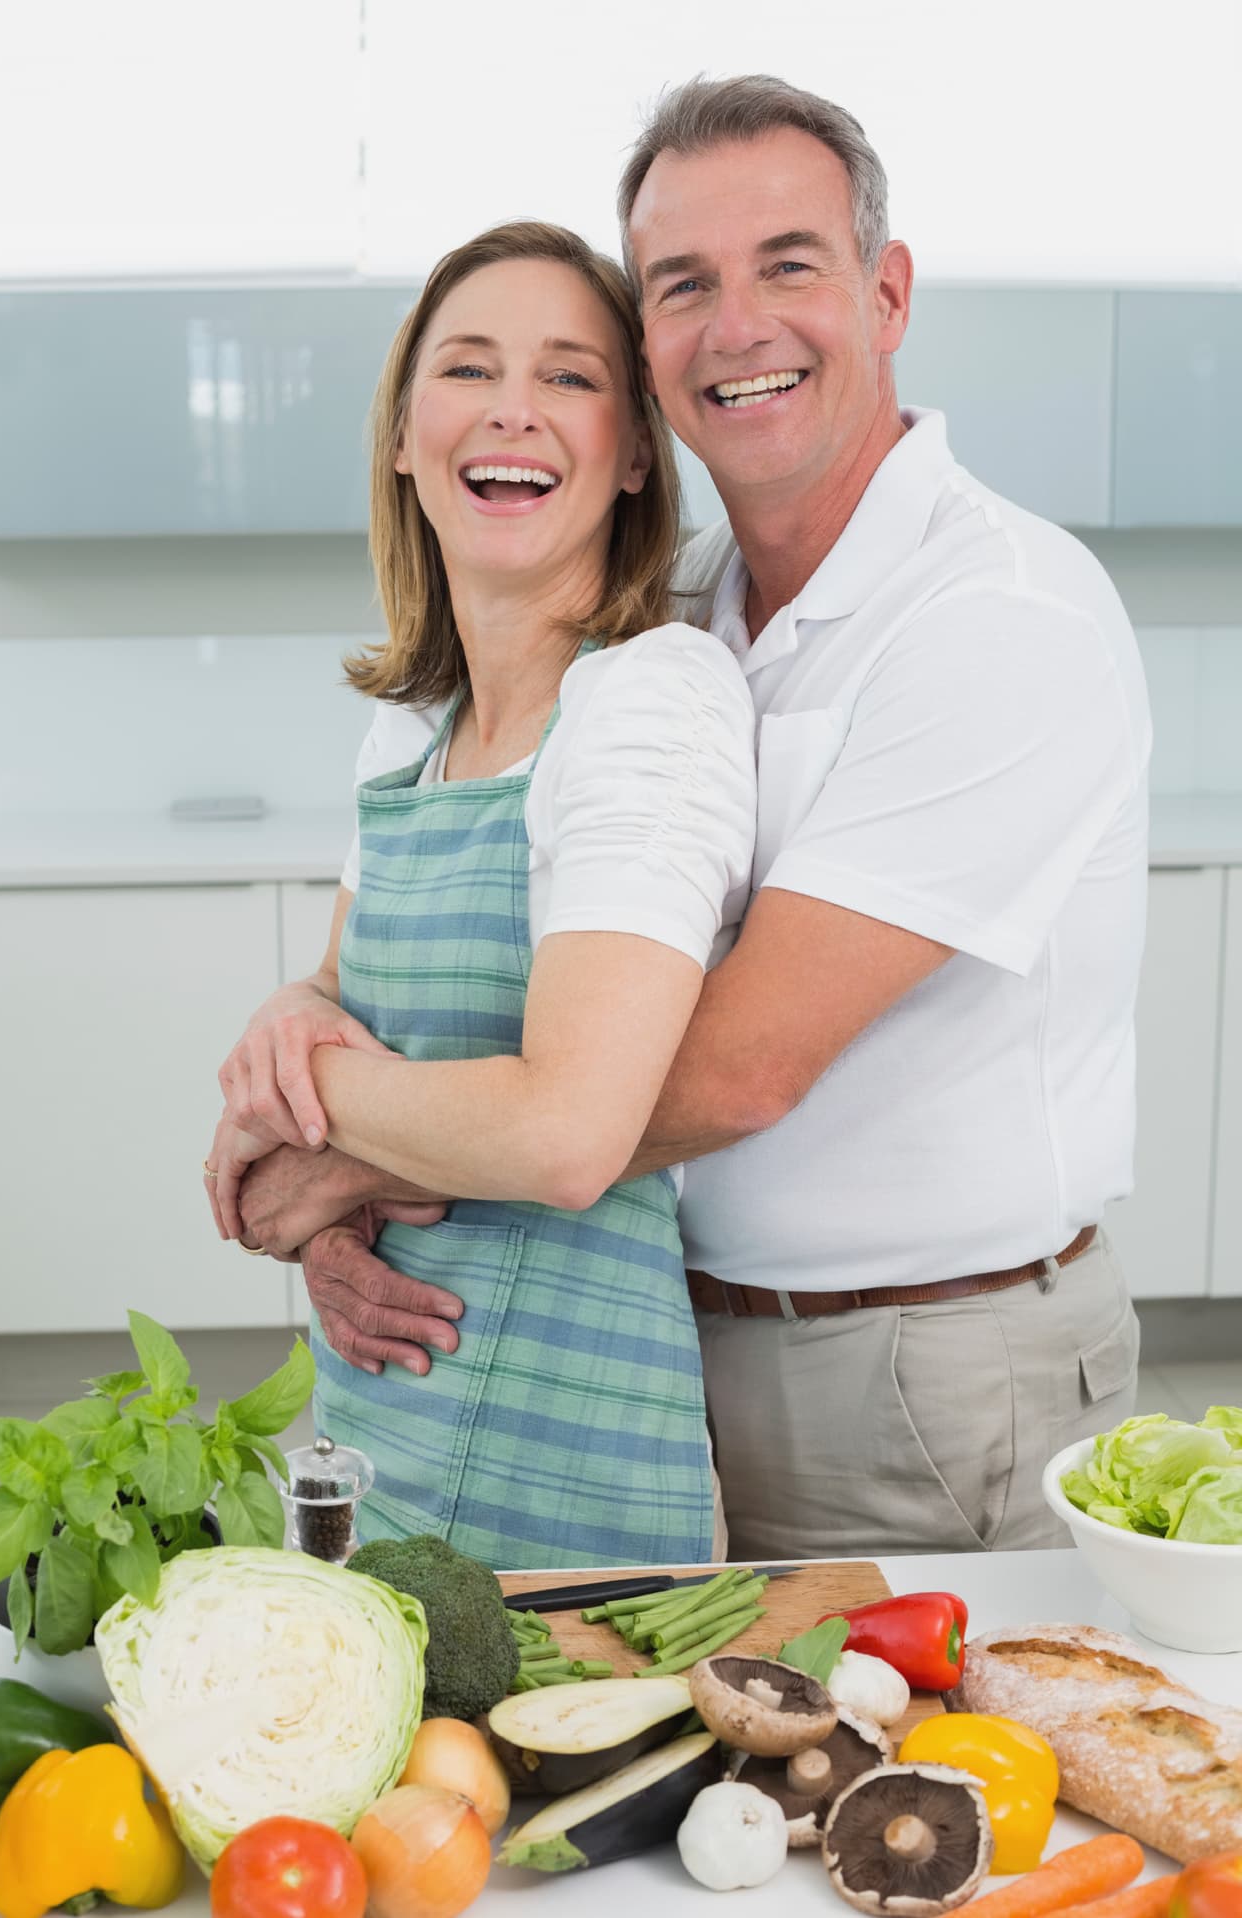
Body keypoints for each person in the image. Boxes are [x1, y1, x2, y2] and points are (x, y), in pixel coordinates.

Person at [227, 75, 1151, 1560]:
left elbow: (735, 1067)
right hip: (667, 1330)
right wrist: (307, 1019)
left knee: (913, 1784)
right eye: (683, 284)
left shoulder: (998, 617)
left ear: (887, 292)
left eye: (789, 263)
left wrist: (336, 1158)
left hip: (916, 1375)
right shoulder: (687, 615)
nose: (738, 324)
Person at [204, 220, 755, 1568]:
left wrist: (298, 1139)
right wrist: (302, 1073)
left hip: (561, 1479)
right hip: (377, 1426)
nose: (515, 406)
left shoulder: (650, 700)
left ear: (634, 453)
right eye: (469, 367)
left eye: (570, 376)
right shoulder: (412, 727)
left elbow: (570, 1130)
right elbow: (348, 998)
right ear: (404, 433)